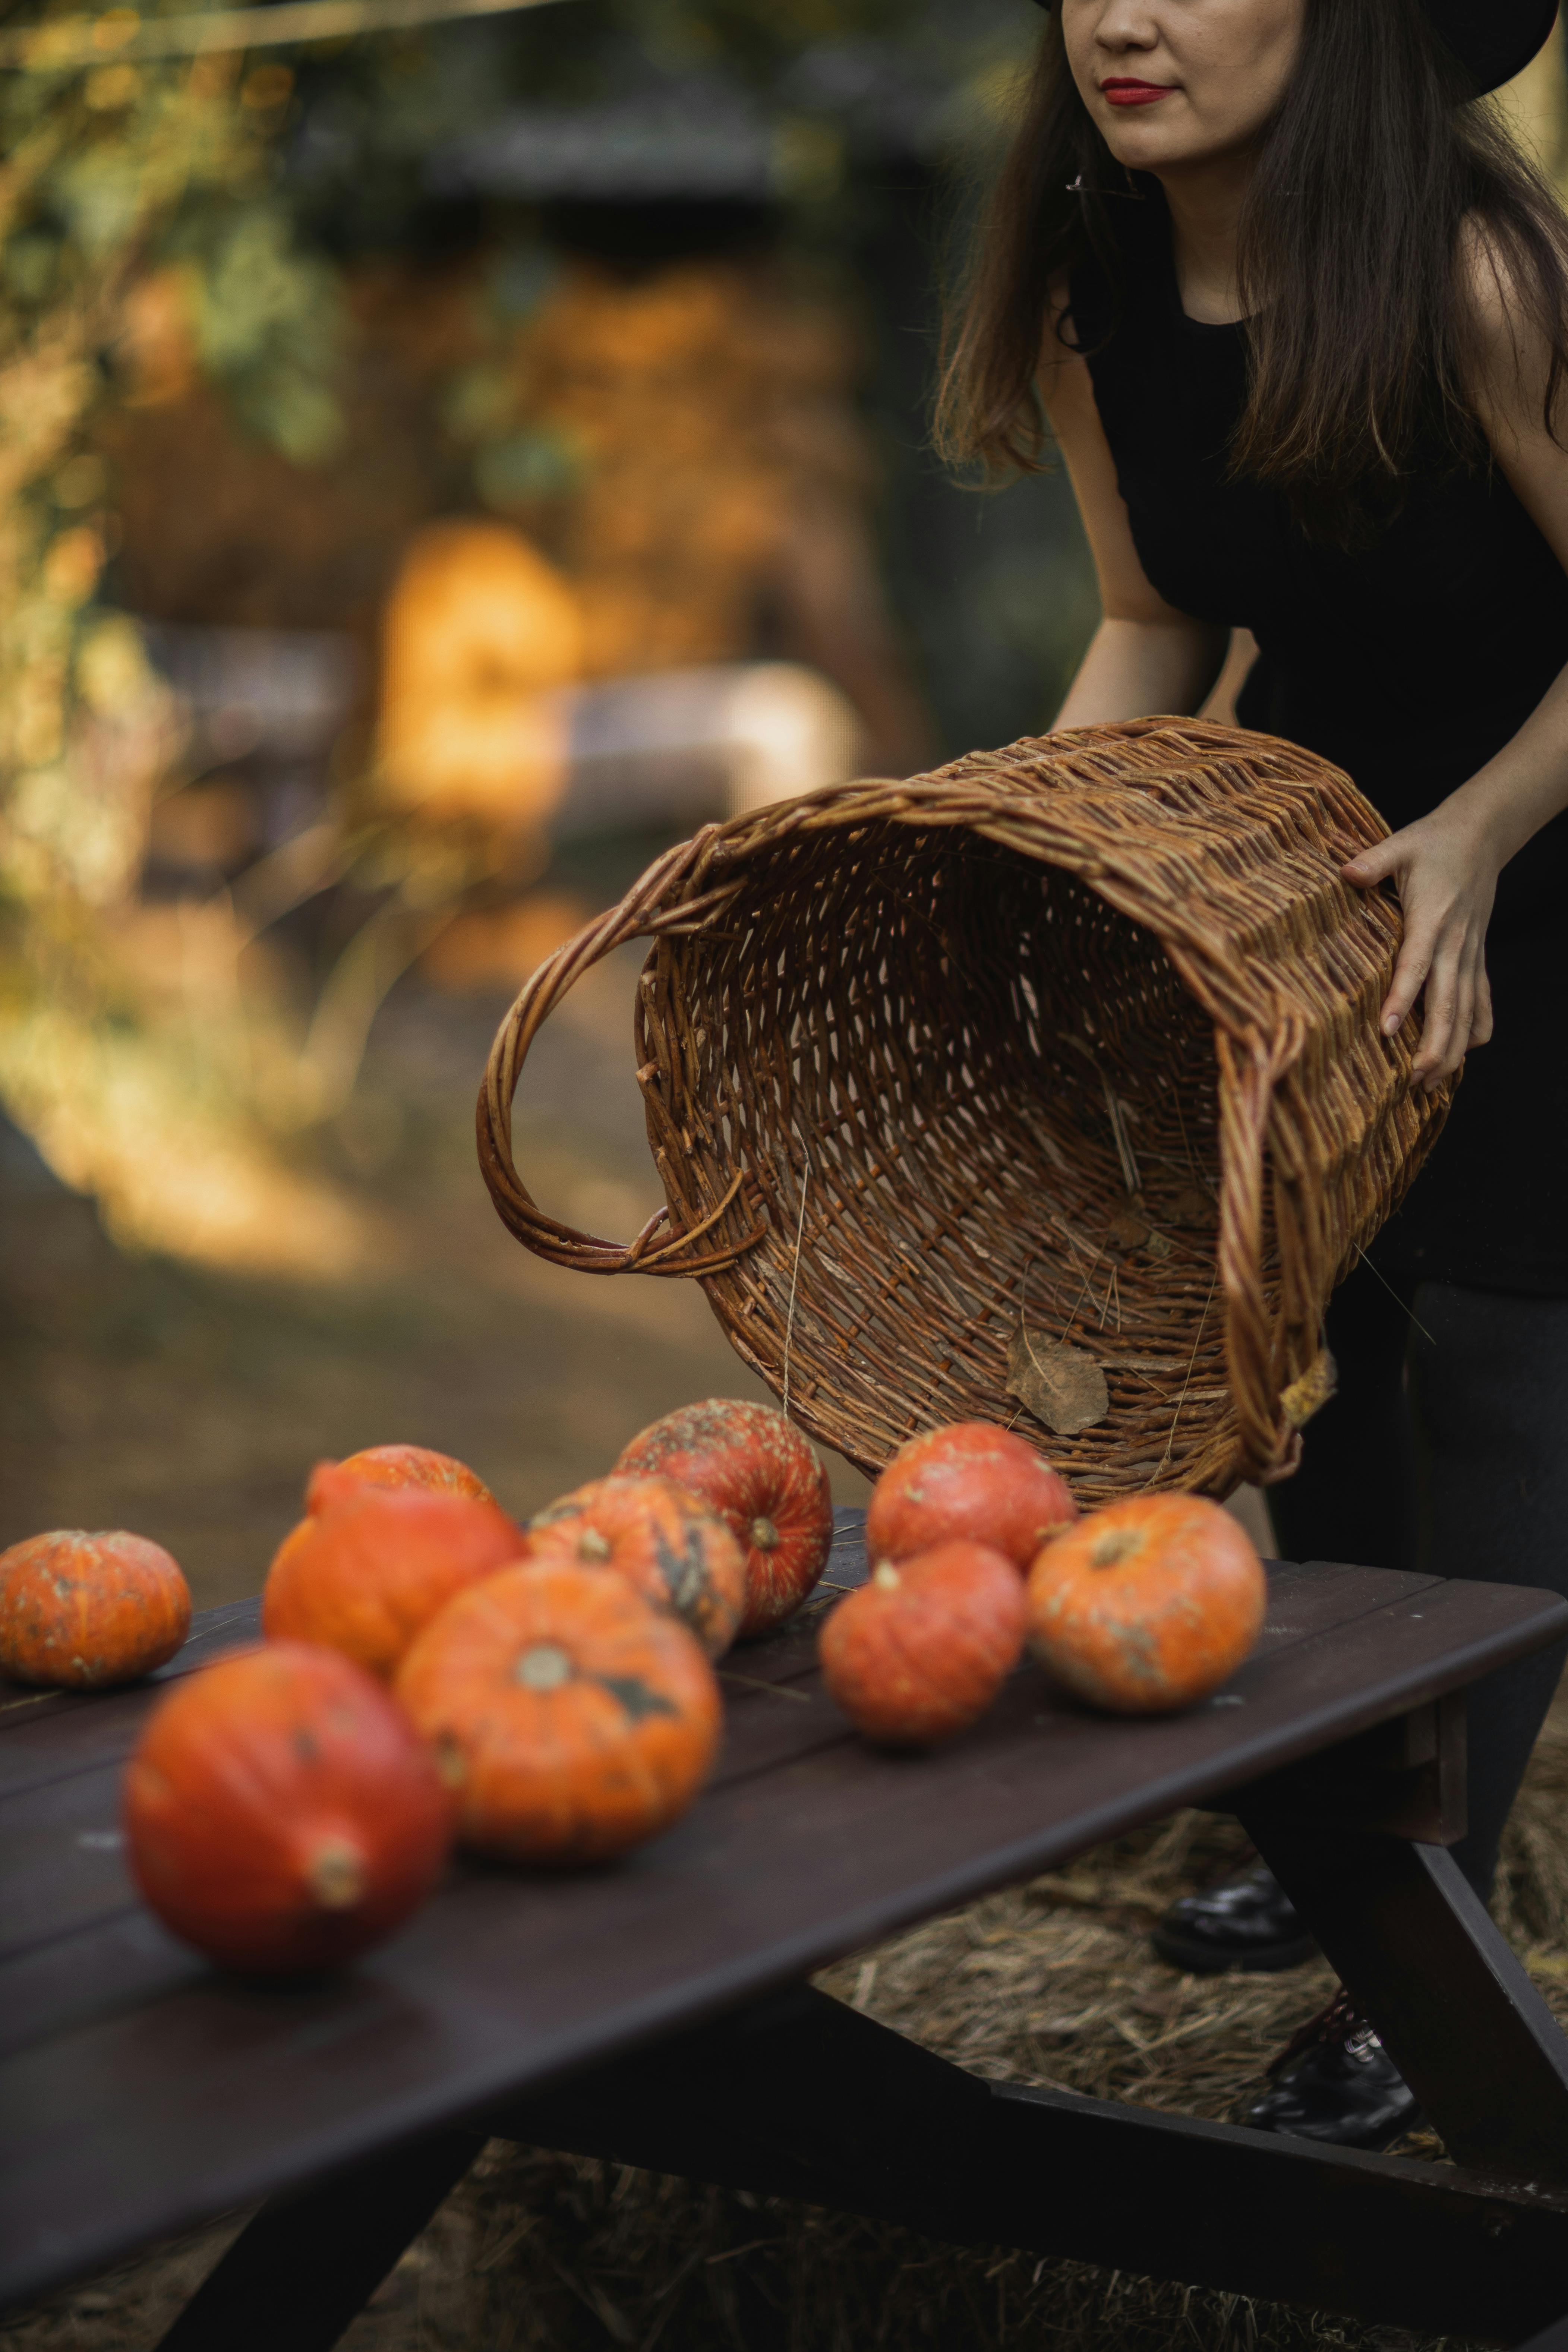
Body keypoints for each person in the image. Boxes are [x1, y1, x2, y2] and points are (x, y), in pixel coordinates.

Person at [938, 0, 1568, 2149]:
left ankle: (1444, 1956)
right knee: (1320, 1332)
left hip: (1536, 847)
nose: (1122, 14)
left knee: (1502, 1351)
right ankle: (1360, 1870)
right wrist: (1009, 839)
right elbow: (1146, 614)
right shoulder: (1098, 281)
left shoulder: (1477, 271)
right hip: (1301, 885)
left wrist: (1479, 833)